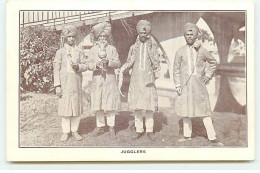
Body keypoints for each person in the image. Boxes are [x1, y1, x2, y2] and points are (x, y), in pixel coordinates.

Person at [173, 23, 224, 146]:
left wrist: (207, 76)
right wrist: (178, 85)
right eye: (187, 34)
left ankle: (212, 138)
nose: (189, 36)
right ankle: (187, 136)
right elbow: (176, 70)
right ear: (184, 36)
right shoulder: (180, 51)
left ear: (195, 35)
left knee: (205, 111)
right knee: (186, 111)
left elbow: (213, 62)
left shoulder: (202, 50)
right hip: (185, 86)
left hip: (199, 86)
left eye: (192, 34)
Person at [119, 20, 160, 141]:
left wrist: (154, 74)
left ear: (147, 33)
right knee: (137, 107)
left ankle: (149, 131)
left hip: (148, 80)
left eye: (145, 33)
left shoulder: (152, 46)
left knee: (149, 107)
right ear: (138, 33)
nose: (143, 35)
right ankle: (138, 130)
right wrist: (122, 70)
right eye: (141, 33)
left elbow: (156, 64)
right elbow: (129, 62)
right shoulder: (133, 48)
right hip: (136, 80)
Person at [53, 26, 94, 142]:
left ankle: (75, 130)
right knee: (65, 108)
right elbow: (55, 69)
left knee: (75, 108)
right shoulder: (60, 52)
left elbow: (86, 65)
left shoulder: (78, 51)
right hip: (64, 85)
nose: (71, 39)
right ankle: (66, 132)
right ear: (65, 38)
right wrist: (57, 86)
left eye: (73, 37)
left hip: (76, 84)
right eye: (69, 37)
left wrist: (79, 67)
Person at [88, 22, 121, 139]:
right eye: (100, 37)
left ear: (107, 38)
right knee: (98, 103)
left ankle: (111, 127)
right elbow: (88, 64)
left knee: (110, 103)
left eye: (104, 37)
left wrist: (109, 62)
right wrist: (96, 65)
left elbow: (118, 63)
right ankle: (100, 126)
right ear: (97, 38)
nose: (102, 39)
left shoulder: (112, 49)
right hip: (97, 79)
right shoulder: (93, 50)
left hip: (110, 79)